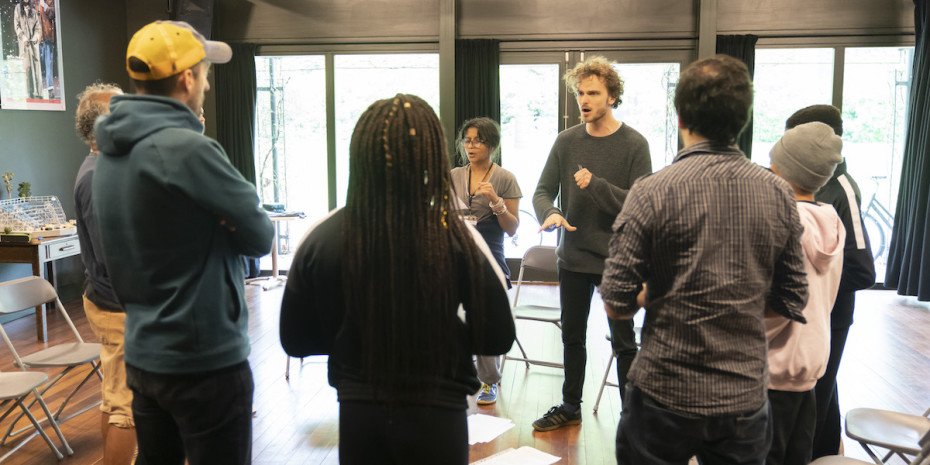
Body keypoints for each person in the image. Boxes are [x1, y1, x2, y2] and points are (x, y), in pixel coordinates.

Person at [280, 94, 515, 465]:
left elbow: (295, 339)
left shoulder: (322, 237)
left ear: (360, 154)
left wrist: (352, 339)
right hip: (440, 409)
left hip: (360, 409)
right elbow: (497, 336)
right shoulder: (459, 237)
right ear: (433, 156)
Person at [601, 54, 809, 464]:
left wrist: (657, 294)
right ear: (743, 119)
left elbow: (616, 303)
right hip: (743, 394)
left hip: (663, 389)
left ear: (680, 117)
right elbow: (793, 298)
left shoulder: (652, 191)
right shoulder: (778, 193)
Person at [92, 21, 273, 465]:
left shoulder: (108, 156)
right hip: (204, 360)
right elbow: (260, 235)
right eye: (205, 72)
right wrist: (222, 225)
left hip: (144, 355)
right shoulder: (189, 150)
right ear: (187, 78)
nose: (208, 84)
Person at [531, 55, 651, 431]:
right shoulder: (566, 141)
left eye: (593, 93)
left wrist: (595, 185)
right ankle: (571, 405)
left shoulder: (635, 144)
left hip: (618, 260)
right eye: (580, 93)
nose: (584, 100)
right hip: (573, 257)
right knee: (572, 337)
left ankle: (632, 417)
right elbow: (542, 191)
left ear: (611, 97)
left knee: (624, 341)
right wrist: (550, 212)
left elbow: (640, 203)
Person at [785, 105, 877, 459]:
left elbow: (862, 270)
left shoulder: (842, 188)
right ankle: (827, 454)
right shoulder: (809, 185)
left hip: (831, 317)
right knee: (822, 396)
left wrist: (816, 288)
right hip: (812, 316)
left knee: (815, 402)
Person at [765, 121, 846, 465]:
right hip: (809, 368)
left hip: (771, 372)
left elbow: (780, 306)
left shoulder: (783, 222)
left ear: (782, 169)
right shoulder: (831, 221)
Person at [73, 82, 138, 465]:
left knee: (114, 397)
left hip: (115, 301)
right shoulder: (97, 178)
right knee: (126, 407)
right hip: (117, 306)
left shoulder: (109, 167)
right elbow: (113, 259)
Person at [450, 117, 521, 406]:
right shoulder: (454, 175)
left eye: (478, 141)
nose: (471, 146)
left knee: (484, 316)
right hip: (457, 254)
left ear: (491, 145)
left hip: (490, 256)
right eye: (467, 140)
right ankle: (456, 369)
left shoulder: (505, 178)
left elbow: (512, 228)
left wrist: (495, 201)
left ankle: (489, 379)